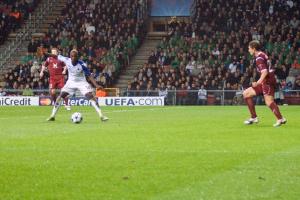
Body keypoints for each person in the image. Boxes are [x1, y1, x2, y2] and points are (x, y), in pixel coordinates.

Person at [47, 49, 108, 122]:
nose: (73, 58)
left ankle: (101, 116)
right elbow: (55, 56)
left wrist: (96, 85)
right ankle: (52, 116)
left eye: (75, 56)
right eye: (72, 56)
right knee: (61, 96)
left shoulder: (82, 64)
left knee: (90, 96)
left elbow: (89, 75)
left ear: (77, 57)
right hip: (71, 82)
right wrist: (46, 53)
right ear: (70, 56)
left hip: (82, 82)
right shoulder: (67, 60)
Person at [243, 40, 286, 127]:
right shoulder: (262, 54)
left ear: (254, 49)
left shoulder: (259, 58)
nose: (248, 50)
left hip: (267, 81)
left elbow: (265, 72)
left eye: (249, 48)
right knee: (246, 93)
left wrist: (258, 82)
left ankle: (280, 119)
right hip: (266, 81)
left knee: (269, 101)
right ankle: (254, 117)